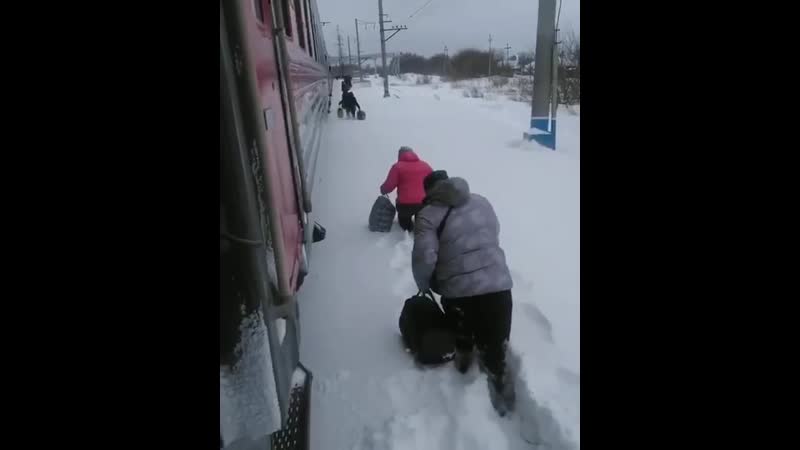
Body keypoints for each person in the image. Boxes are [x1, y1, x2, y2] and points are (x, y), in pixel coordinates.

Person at [411, 170, 516, 416]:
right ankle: (501, 385)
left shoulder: (427, 215)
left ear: (429, 192)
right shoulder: (481, 201)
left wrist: (424, 284)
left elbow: (424, 257)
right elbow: (494, 230)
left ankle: (464, 358)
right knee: (495, 343)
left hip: (459, 292)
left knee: (463, 330)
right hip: (498, 285)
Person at [379, 147, 433, 232]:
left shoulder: (397, 167)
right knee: (421, 220)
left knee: (404, 222)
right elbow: (433, 182)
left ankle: (407, 229)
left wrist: (383, 190)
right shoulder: (425, 165)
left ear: (400, 155)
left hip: (405, 205)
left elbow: (389, 185)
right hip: (423, 204)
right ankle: (419, 227)